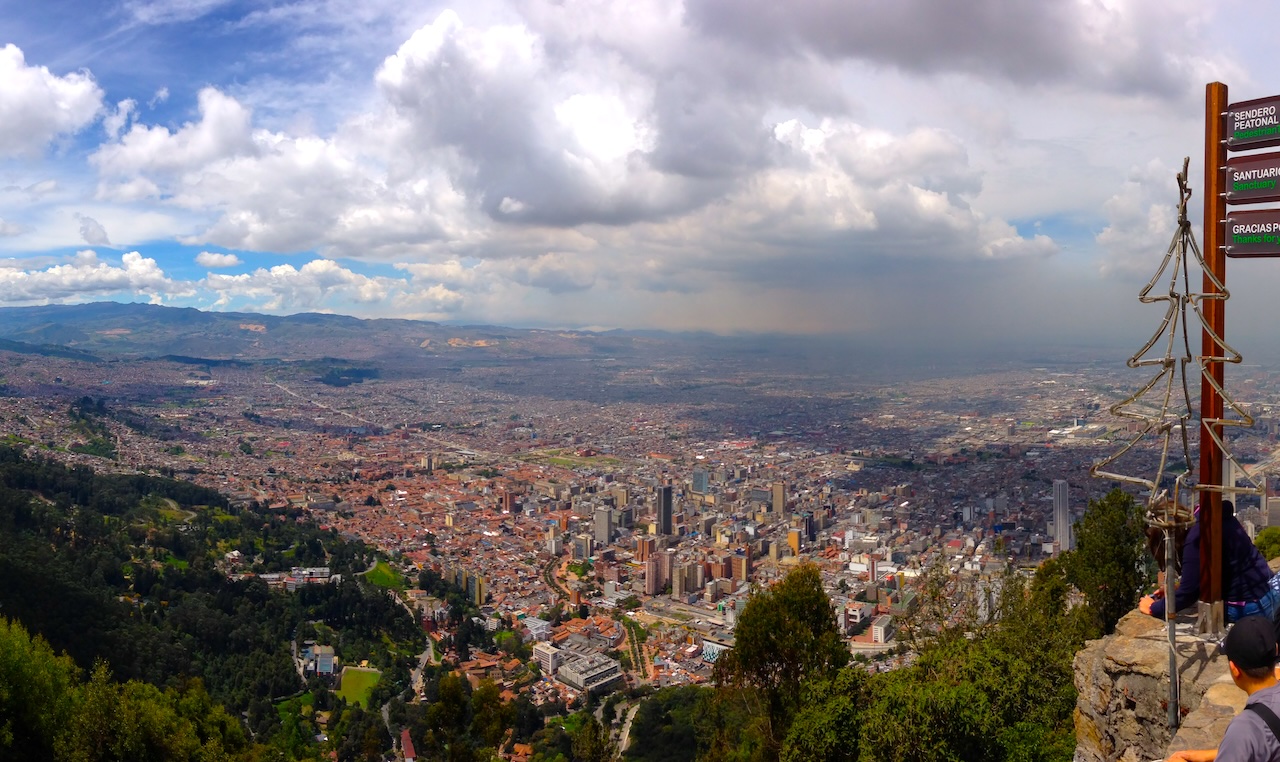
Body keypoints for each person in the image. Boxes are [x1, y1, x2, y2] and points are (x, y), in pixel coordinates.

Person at [1140, 501, 1280, 624]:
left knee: (1209, 605)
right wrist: (1176, 590)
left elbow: (1189, 593)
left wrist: (1153, 608)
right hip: (1271, 589)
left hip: (1255, 607)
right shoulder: (1207, 515)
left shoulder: (1196, 538)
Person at [1167, 615, 1280, 761]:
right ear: (1275, 650)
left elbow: (1251, 740)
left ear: (1234, 669)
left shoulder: (1246, 727)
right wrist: (1217, 753)